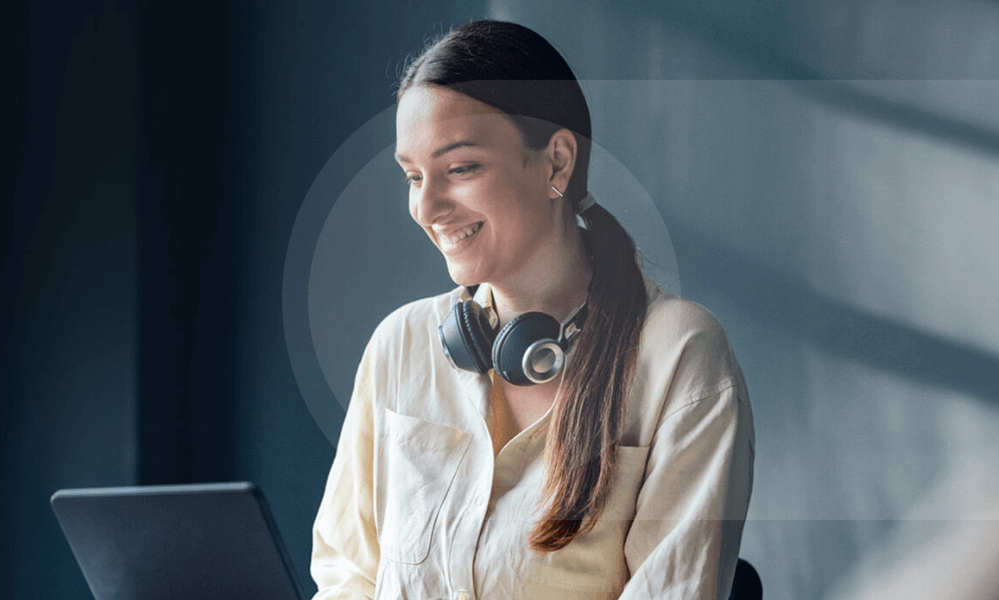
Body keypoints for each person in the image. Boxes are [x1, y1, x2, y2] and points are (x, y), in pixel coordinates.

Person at [309, 19, 755, 600]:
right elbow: (346, 576)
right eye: (413, 176)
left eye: (461, 168)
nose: (426, 206)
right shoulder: (401, 344)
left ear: (557, 164)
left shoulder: (681, 356)